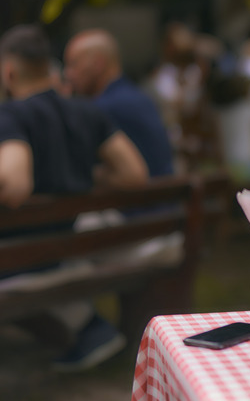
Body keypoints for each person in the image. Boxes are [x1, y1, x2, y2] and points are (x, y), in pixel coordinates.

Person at [0, 24, 149, 370]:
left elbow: (15, 183)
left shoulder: (10, 115)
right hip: (64, 243)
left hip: (21, 258)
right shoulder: (87, 111)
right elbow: (133, 173)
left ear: (9, 72)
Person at [64, 28, 174, 178]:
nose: (68, 74)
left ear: (98, 64)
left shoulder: (102, 108)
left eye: (73, 64)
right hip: (167, 197)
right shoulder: (140, 97)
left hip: (139, 200)